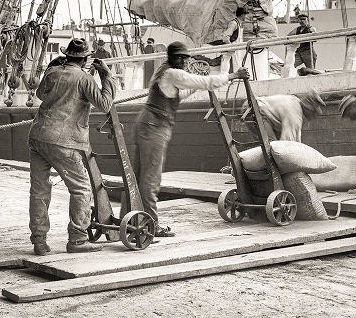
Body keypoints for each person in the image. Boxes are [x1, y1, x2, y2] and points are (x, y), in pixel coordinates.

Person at [135, 41, 248, 237]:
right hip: (155, 127)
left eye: (184, 58)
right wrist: (233, 75)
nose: (182, 61)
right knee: (151, 179)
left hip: (147, 124)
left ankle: (136, 220)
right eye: (179, 57)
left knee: (139, 177)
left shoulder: (166, 72)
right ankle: (150, 225)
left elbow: (180, 92)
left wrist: (195, 86)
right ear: (171, 57)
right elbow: (204, 82)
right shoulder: (173, 73)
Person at [28, 38, 116, 256]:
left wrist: (51, 67)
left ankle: (39, 242)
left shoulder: (53, 72)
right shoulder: (84, 78)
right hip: (63, 141)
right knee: (81, 188)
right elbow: (105, 104)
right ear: (85, 59)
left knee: (39, 191)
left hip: (38, 136)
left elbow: (40, 95)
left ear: (66, 55)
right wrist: (106, 75)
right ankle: (77, 239)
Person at [252, 90, 326, 143]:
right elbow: (288, 144)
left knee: (276, 146)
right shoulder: (294, 115)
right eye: (313, 114)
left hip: (261, 111)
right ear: (308, 109)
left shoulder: (296, 103)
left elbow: (296, 142)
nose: (312, 118)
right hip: (254, 109)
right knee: (272, 147)